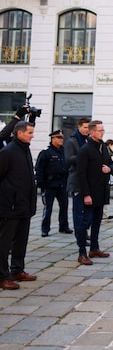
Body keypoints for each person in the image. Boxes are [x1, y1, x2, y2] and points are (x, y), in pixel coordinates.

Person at [0, 121, 38, 290]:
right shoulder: (7, 152)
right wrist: (9, 198)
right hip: (10, 206)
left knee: (21, 240)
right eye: (30, 132)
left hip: (24, 204)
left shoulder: (25, 149)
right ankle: (2, 276)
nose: (32, 135)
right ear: (20, 133)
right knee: (4, 243)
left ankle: (17, 270)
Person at [75, 120, 113, 266]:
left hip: (101, 191)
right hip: (89, 193)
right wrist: (86, 194)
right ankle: (82, 253)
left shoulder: (103, 147)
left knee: (97, 222)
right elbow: (81, 174)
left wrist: (109, 169)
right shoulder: (85, 150)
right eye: (100, 130)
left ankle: (94, 248)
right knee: (85, 223)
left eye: (103, 130)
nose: (102, 133)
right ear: (92, 132)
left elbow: (111, 164)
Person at [35, 129, 72, 237]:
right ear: (53, 139)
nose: (61, 140)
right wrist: (41, 183)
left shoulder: (64, 151)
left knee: (64, 206)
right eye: (59, 138)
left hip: (62, 183)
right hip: (49, 184)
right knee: (48, 207)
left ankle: (63, 226)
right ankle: (45, 229)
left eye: (62, 138)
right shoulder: (46, 152)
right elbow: (39, 168)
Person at [65, 118, 91, 235]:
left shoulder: (89, 140)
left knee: (88, 211)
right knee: (78, 210)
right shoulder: (71, 141)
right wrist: (83, 157)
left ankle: (84, 229)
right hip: (76, 180)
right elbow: (68, 158)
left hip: (89, 180)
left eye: (89, 128)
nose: (87, 130)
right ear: (79, 127)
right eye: (85, 127)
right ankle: (80, 234)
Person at [102, 139, 113, 220]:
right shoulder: (106, 151)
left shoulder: (108, 152)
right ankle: (103, 214)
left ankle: (104, 213)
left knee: (105, 196)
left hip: (106, 176)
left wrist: (112, 169)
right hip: (102, 177)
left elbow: (111, 164)